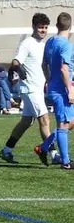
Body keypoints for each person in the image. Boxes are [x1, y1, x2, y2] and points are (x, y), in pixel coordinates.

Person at [0, 13, 53, 164]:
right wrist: (15, 67)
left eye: (45, 28)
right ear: (34, 27)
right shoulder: (27, 43)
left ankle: (6, 150)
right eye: (40, 27)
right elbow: (16, 60)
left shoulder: (43, 45)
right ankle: (54, 154)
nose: (43, 30)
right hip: (30, 89)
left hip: (38, 89)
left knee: (26, 122)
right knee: (45, 120)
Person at [34, 12, 73, 168]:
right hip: (61, 90)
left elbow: (44, 64)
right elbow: (64, 69)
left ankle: (42, 148)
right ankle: (66, 162)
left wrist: (49, 78)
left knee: (68, 123)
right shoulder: (65, 45)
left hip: (55, 87)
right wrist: (69, 89)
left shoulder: (50, 42)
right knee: (63, 125)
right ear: (70, 27)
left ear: (57, 26)